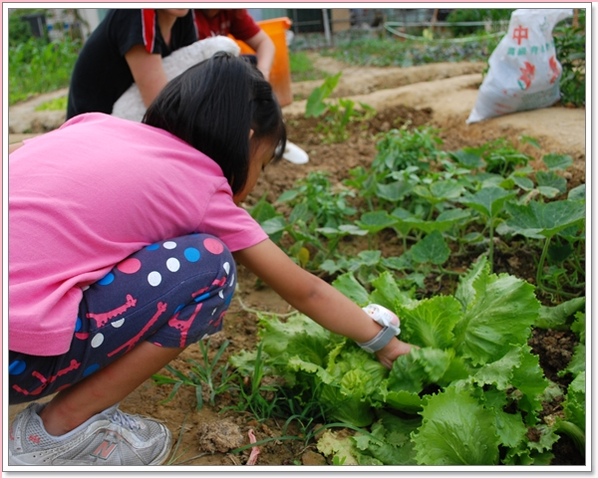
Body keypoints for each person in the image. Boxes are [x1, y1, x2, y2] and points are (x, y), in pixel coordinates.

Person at [8, 53, 413, 466]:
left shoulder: (92, 125)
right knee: (210, 266)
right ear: (249, 138)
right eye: (261, 163)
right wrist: (383, 341)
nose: (255, 180)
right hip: (18, 361)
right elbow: (305, 289)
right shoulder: (201, 187)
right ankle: (57, 431)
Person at [66, 8, 197, 119]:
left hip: (125, 125)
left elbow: (193, 84)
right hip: (92, 133)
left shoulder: (182, 16)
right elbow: (161, 109)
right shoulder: (134, 11)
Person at [193, 9, 275, 81]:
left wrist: (262, 74)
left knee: (251, 63)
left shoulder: (233, 11)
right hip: (195, 76)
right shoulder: (188, 15)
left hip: (218, 71)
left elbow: (264, 43)